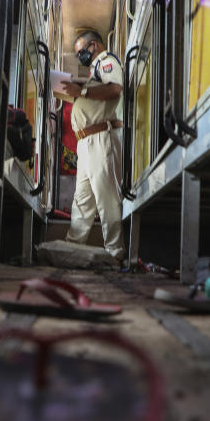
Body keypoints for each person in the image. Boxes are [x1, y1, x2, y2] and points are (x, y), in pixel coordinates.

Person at [60, 30, 125, 262]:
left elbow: (114, 89)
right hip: (86, 142)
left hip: (101, 138)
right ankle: (72, 247)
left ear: (93, 46)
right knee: (83, 199)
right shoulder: (94, 71)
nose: (80, 56)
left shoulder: (106, 62)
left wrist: (83, 91)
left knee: (106, 196)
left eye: (81, 51)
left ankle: (114, 252)